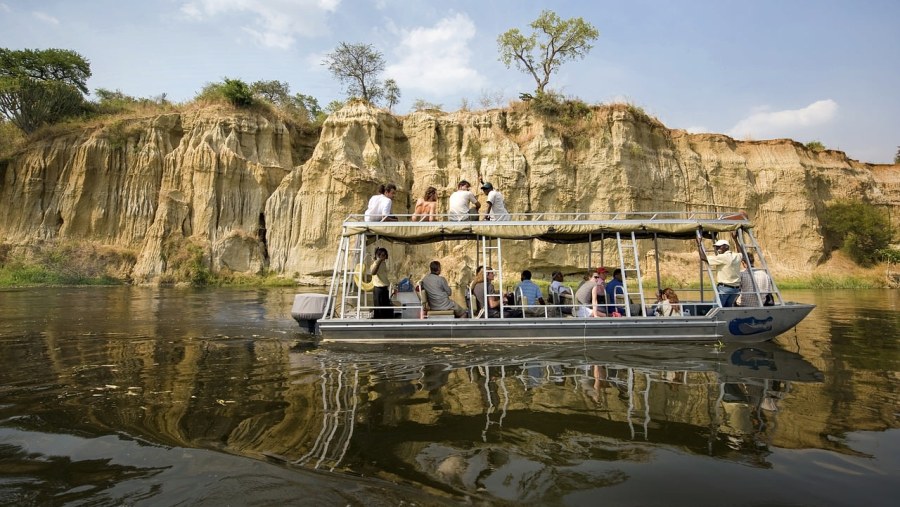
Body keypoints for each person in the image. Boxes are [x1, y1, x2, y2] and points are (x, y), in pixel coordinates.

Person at [698, 236, 742, 307]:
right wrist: (735, 240)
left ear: (726, 247)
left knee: (717, 308)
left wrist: (699, 244)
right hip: (735, 289)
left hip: (724, 288)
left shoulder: (723, 257)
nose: (717, 249)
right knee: (728, 308)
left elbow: (703, 258)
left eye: (719, 247)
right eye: (716, 247)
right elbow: (741, 252)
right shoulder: (736, 256)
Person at [369, 247, 393, 319]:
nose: (384, 257)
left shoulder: (383, 263)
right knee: (379, 309)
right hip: (378, 289)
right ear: (379, 256)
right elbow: (373, 272)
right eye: (382, 255)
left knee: (386, 308)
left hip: (384, 288)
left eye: (385, 255)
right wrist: (379, 260)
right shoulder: (376, 263)